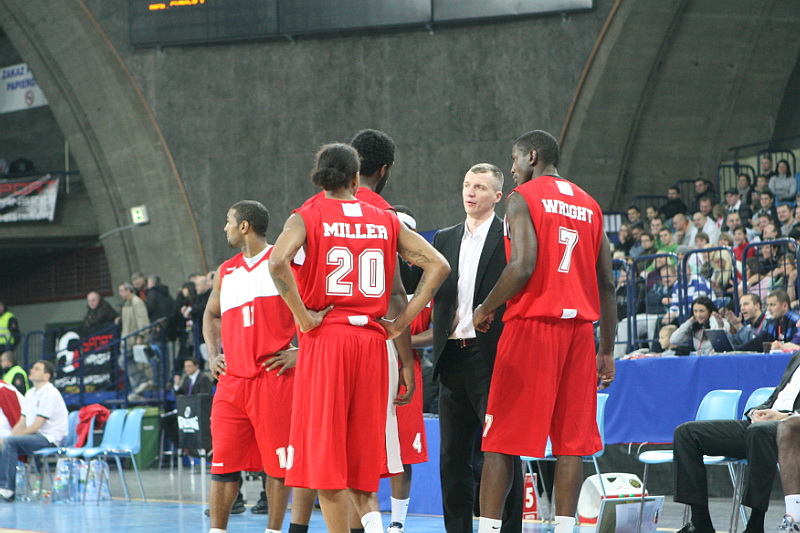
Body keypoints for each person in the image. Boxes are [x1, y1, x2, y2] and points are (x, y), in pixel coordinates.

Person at [268, 143, 449, 533]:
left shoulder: (307, 215)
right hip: (371, 343)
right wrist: (401, 324)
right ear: (355, 178)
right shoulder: (385, 218)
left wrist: (303, 317)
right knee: (361, 461)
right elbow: (438, 265)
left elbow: (277, 261)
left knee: (327, 463)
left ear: (320, 178)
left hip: (327, 341)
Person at [471, 130, 616, 533]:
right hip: (580, 334)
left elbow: (522, 266)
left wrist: (486, 307)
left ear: (532, 156)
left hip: (532, 328)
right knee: (571, 446)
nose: (512, 169)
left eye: (514, 159)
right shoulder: (590, 204)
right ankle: (567, 528)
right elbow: (607, 283)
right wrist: (606, 350)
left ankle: (488, 530)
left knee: (501, 440)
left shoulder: (523, 198)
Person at [203, 200, 316, 533]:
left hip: (275, 378)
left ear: (244, 226)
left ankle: (273, 530)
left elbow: (320, 311)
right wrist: (213, 353)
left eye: (228, 221)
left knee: (278, 466)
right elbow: (210, 314)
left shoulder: (284, 263)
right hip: (232, 381)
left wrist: (301, 352)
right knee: (222, 465)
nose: (224, 227)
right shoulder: (225, 272)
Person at [428, 163, 523, 533]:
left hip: (491, 357)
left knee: (500, 450)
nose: (470, 192)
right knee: (452, 457)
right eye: (467, 184)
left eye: (480, 187)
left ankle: (508, 528)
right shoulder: (444, 238)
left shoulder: (509, 236)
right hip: (451, 355)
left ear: (498, 196)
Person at [674, 350, 800, 533]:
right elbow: (776, 397)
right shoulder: (797, 357)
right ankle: (700, 523)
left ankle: (755, 525)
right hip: (764, 424)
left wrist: (782, 416)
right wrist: (756, 412)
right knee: (686, 433)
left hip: (792, 429)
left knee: (759, 432)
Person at [0, 360, 68, 502]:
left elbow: (37, 425)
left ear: (46, 376)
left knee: (10, 443)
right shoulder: (30, 393)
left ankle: (7, 488)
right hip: (36, 436)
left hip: (50, 438)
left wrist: (10, 440)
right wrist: (9, 438)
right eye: (32, 368)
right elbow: (22, 422)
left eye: (37, 369)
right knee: (6, 442)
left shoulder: (50, 393)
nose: (32, 370)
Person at [117, 282, 153, 398]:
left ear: (128, 290)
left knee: (123, 361)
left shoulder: (137, 302)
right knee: (127, 363)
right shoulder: (126, 304)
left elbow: (143, 320)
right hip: (127, 340)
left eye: (122, 291)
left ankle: (142, 380)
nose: (120, 293)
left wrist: (141, 336)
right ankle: (137, 388)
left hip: (135, 340)